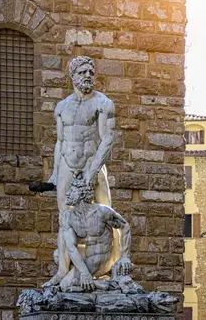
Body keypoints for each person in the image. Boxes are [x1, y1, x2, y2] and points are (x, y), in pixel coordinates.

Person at [32, 56, 117, 287]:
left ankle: (114, 266)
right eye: (82, 72)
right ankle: (62, 271)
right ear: (73, 76)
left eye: (91, 71)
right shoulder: (62, 107)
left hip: (93, 165)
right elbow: (60, 141)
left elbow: (107, 140)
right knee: (65, 220)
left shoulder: (103, 103)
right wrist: (54, 174)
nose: (88, 75)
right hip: (67, 166)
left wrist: (91, 174)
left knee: (106, 215)